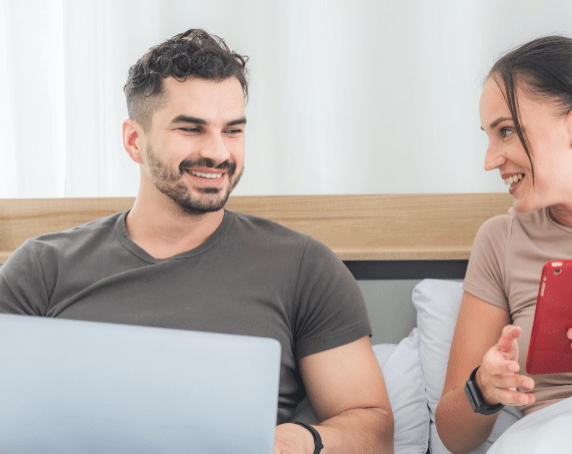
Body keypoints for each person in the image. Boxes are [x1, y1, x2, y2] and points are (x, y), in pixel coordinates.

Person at [0, 29, 393, 454]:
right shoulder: (41, 268)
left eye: (233, 131)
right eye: (192, 129)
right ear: (135, 140)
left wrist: (303, 441)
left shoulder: (304, 267)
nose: (218, 152)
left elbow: (374, 431)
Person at [434, 35, 572, 453]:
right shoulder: (501, 240)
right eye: (488, 136)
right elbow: (452, 438)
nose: (490, 159)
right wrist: (484, 387)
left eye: (507, 131)